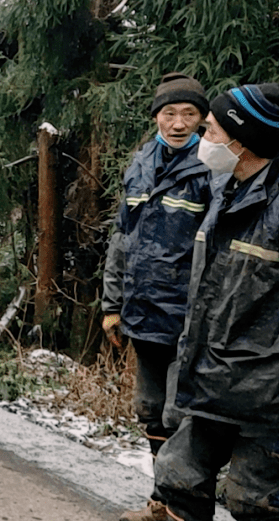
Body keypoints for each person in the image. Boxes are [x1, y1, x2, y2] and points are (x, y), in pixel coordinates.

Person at [121, 83, 279, 521]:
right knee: (178, 476)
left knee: (253, 499)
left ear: (242, 143)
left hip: (272, 389)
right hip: (212, 374)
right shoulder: (227, 190)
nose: (202, 138)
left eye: (212, 130)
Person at [101, 73, 211, 468]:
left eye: (189, 113)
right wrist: (112, 305)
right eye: (169, 113)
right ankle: (160, 500)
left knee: (180, 414)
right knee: (150, 409)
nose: (178, 123)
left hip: (188, 318)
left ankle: (180, 500)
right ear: (156, 118)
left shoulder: (212, 168)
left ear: (202, 118)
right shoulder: (143, 161)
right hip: (144, 312)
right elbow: (121, 236)